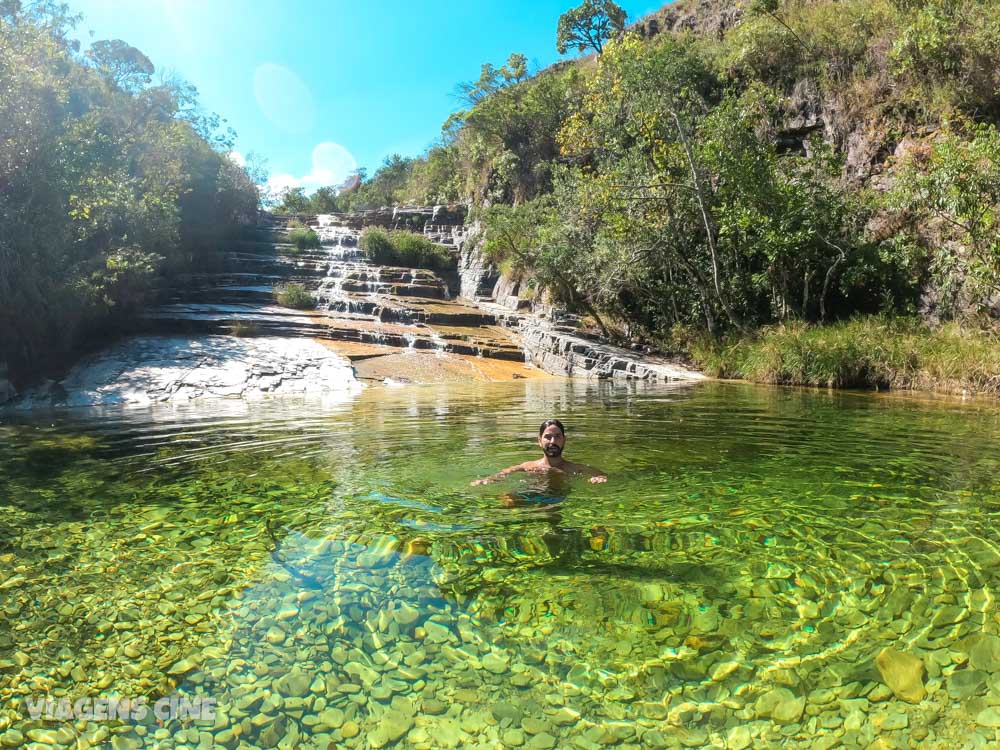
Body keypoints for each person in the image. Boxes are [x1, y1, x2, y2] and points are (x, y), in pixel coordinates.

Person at [471, 418, 608, 486]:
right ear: (539, 441)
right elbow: (504, 473)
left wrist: (600, 478)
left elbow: (602, 474)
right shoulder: (529, 467)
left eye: (557, 437)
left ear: (564, 440)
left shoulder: (574, 469)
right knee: (508, 499)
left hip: (560, 497)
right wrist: (487, 479)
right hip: (533, 494)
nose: (553, 441)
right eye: (548, 437)